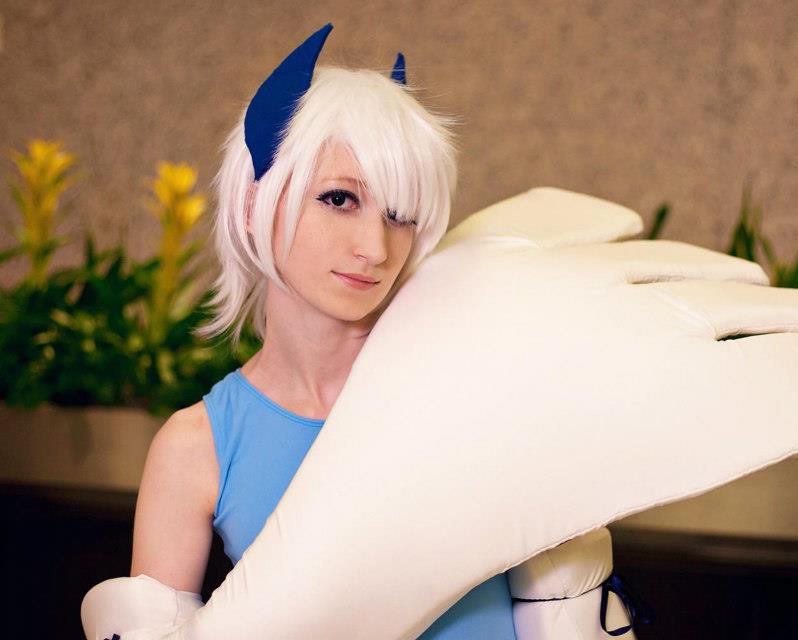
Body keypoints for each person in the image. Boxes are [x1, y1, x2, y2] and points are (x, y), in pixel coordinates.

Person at [129, 25, 518, 639]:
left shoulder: (475, 394)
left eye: (400, 214)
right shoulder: (198, 448)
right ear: (253, 205)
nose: (375, 248)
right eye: (339, 199)